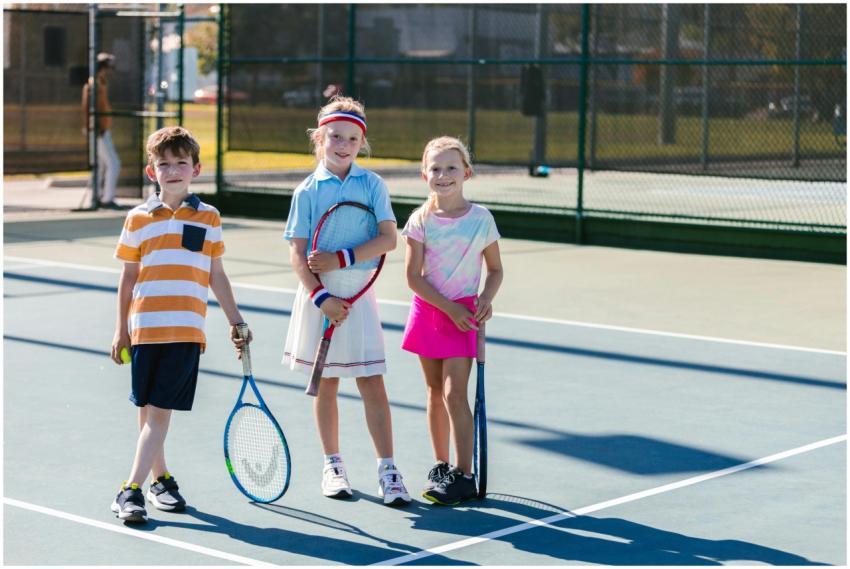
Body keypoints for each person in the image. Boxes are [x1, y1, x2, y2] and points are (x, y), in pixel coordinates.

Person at [110, 126, 250, 523]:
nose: (173, 170)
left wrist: (235, 319)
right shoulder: (137, 219)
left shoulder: (209, 217)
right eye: (164, 164)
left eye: (181, 163)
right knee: (148, 409)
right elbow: (128, 277)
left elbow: (216, 274)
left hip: (186, 330)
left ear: (196, 169)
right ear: (151, 172)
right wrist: (121, 329)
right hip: (144, 330)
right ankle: (160, 481)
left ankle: (130, 490)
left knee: (158, 412)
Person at [282, 96, 411, 507]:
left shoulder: (372, 184)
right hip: (320, 300)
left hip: (358, 297)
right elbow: (297, 255)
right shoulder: (306, 192)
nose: (343, 144)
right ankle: (333, 465)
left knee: (372, 381)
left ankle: (388, 469)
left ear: (361, 143)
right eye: (335, 136)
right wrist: (321, 297)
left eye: (352, 139)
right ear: (319, 138)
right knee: (327, 384)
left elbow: (390, 238)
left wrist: (343, 258)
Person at [401, 136, 504, 506]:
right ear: (424, 174)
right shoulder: (420, 220)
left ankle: (464, 473)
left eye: (451, 168)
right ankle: (441, 464)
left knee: (453, 393)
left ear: (467, 173)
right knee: (432, 392)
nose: (443, 175)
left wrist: (485, 300)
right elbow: (413, 277)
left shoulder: (481, 219)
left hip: (462, 317)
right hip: (430, 311)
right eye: (435, 168)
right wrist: (448, 307)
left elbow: (494, 270)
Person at [82, 52, 122, 209]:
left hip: (103, 129)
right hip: (98, 131)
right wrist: (94, 127)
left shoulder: (102, 83)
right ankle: (107, 198)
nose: (112, 71)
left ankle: (97, 196)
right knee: (114, 163)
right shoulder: (93, 85)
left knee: (103, 164)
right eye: (110, 67)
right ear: (103, 68)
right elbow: (88, 109)